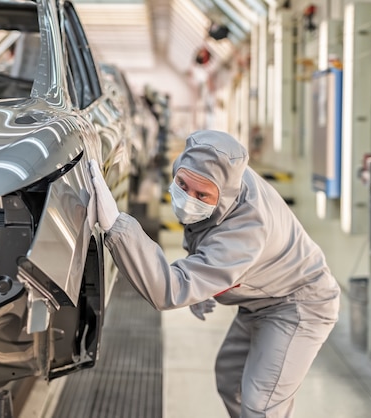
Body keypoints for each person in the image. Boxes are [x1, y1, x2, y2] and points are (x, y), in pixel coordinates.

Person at [88, 129, 340, 418]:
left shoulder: (247, 229)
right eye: (181, 184)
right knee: (231, 379)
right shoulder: (214, 174)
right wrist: (204, 276)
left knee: (262, 403)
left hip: (299, 303)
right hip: (260, 299)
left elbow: (170, 290)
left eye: (201, 195)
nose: (187, 197)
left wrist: (117, 225)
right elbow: (204, 231)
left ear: (224, 196)